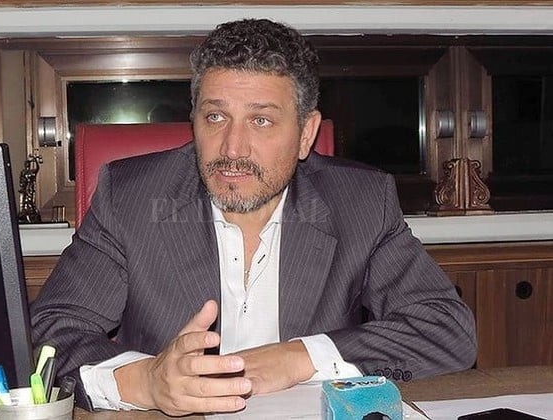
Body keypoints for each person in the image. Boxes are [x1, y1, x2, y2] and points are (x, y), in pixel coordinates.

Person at [31, 18, 476, 416]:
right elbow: (49, 333)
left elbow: (447, 329)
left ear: (305, 133)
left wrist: (300, 357)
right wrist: (146, 382)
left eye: (260, 120)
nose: (232, 148)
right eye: (215, 116)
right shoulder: (129, 197)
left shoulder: (360, 202)